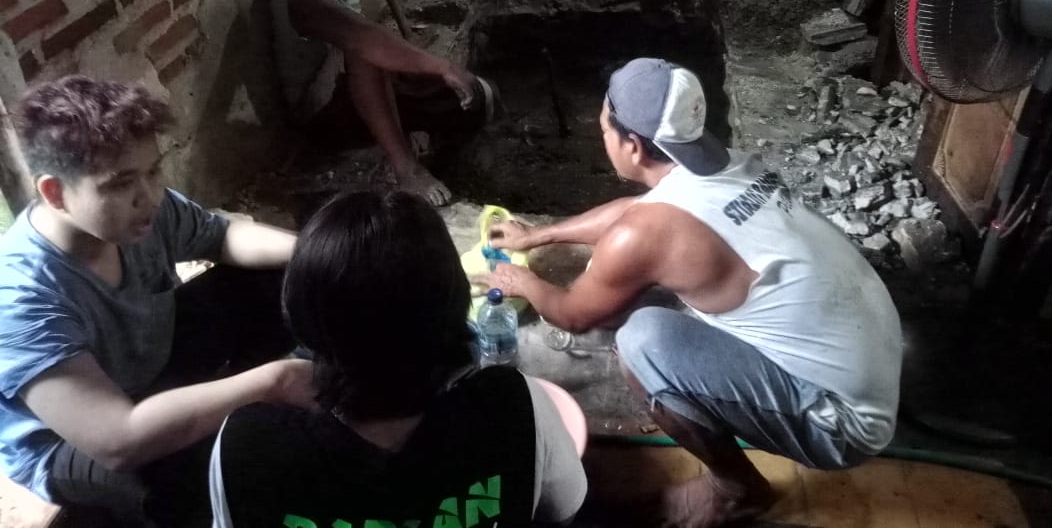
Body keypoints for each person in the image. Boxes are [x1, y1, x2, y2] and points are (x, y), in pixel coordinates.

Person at [477, 58, 903, 528]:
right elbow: (636, 213)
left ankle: (736, 489)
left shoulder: (650, 234)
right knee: (663, 298)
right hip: (874, 362)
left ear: (632, 146)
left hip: (842, 425)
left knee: (644, 343)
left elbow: (573, 315)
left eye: (603, 130)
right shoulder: (728, 165)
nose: (603, 138)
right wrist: (538, 235)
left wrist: (521, 281)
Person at [0, 76, 314, 527]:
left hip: (148, 362)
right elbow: (117, 439)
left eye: (153, 171)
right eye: (121, 183)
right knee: (199, 476)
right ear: (55, 193)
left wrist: (320, 252)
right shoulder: (19, 298)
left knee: (290, 274)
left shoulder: (142, 214)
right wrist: (275, 381)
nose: (149, 196)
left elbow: (222, 236)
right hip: (75, 438)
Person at [209, 189, 587, 527]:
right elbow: (563, 512)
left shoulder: (249, 446)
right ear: (455, 307)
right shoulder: (513, 406)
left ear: (300, 316)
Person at [260, 0, 497, 207]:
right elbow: (363, 37)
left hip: (351, 92)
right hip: (325, 118)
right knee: (365, 49)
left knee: (479, 96)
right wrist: (443, 67)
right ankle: (408, 170)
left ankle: (450, 162)